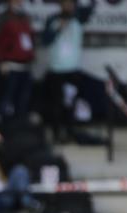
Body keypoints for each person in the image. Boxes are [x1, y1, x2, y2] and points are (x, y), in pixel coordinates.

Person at [42, 0, 94, 142]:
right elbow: (45, 41)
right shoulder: (53, 19)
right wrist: (57, 29)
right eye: (65, 3)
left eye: (71, 4)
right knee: (56, 104)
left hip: (72, 70)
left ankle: (70, 131)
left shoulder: (78, 18)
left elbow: (90, 8)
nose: (68, 6)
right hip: (56, 70)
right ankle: (57, 133)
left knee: (71, 103)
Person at [0, 0, 35, 120]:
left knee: (23, 101)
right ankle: (5, 130)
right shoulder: (3, 18)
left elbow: (30, 40)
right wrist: (0, 60)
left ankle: (19, 130)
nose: (19, 2)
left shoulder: (25, 18)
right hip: (9, 66)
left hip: (25, 66)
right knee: (6, 100)